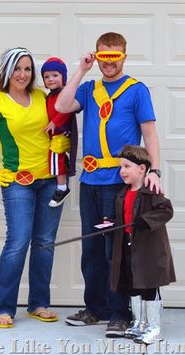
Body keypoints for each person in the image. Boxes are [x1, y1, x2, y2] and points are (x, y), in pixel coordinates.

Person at [55, 32, 162, 337]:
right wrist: (80, 70)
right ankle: (95, 308)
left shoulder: (136, 91)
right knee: (91, 249)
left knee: (115, 249)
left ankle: (120, 312)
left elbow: (150, 133)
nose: (109, 63)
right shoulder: (90, 88)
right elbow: (62, 106)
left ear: (124, 57)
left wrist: (154, 170)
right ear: (97, 56)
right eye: (104, 57)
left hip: (120, 183)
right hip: (90, 181)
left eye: (114, 57)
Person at [0, 47, 64, 328]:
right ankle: (3, 308)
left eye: (28, 69)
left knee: (44, 243)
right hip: (19, 183)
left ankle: (39, 304)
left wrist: (60, 142)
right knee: (18, 243)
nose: (23, 74)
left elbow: (60, 124)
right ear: (5, 70)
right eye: (17, 68)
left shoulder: (43, 97)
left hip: (51, 181)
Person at [108, 144, 176, 343]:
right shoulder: (122, 194)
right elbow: (123, 218)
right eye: (121, 167)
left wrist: (145, 221)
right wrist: (110, 223)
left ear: (142, 169)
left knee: (148, 286)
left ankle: (153, 327)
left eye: (127, 166)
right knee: (132, 285)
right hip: (128, 247)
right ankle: (139, 323)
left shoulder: (151, 192)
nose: (122, 171)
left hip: (147, 250)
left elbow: (166, 211)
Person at [41, 57, 78, 207]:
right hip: (54, 133)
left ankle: (62, 187)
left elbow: (67, 110)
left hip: (61, 132)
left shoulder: (64, 93)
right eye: (46, 77)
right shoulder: (49, 96)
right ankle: (62, 175)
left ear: (63, 77)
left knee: (55, 155)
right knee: (56, 156)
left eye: (55, 75)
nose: (50, 79)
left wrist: (54, 122)